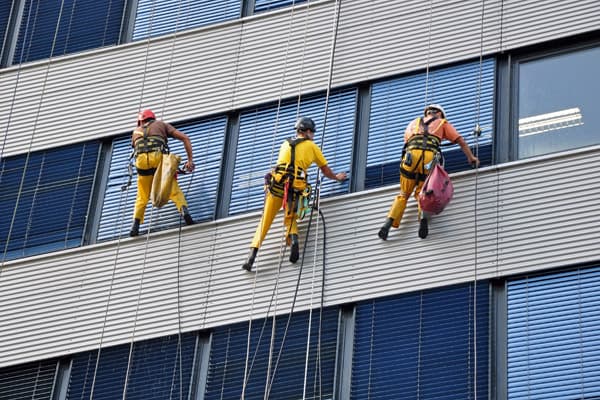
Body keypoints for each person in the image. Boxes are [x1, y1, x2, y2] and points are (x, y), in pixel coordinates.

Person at [242, 117, 347, 272]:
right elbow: (325, 170)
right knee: (290, 217)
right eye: (312, 132)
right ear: (308, 131)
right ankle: (294, 240)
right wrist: (336, 177)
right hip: (295, 187)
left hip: (276, 185)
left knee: (265, 221)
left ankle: (251, 256)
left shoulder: (285, 143)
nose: (313, 136)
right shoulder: (312, 147)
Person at [377, 104, 479, 240]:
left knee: (403, 194)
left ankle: (388, 223)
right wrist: (471, 157)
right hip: (428, 159)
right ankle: (423, 218)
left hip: (410, 157)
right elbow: (460, 140)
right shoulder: (442, 123)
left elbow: (406, 142)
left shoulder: (413, 123)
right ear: (439, 114)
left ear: (427, 113)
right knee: (422, 192)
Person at [129, 109, 195, 237]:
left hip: (142, 163)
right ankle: (185, 212)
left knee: (142, 196)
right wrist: (190, 160)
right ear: (152, 118)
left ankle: (135, 226)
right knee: (173, 188)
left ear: (141, 121)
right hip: (158, 159)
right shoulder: (161, 125)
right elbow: (185, 138)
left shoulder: (135, 132)